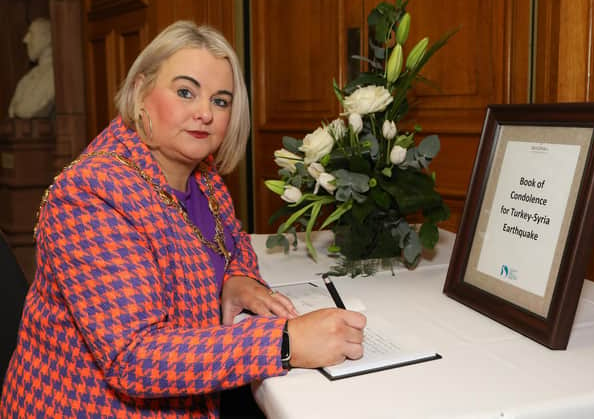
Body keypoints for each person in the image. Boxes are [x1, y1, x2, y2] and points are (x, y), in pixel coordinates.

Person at [0, 21, 366, 418]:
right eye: (185, 92)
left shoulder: (201, 175)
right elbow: (133, 358)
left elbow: (233, 241)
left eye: (221, 101)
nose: (204, 113)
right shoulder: (90, 195)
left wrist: (237, 277)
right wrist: (284, 341)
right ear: (141, 91)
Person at [8, 18, 55, 119]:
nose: (25, 39)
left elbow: (24, 110)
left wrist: (17, 109)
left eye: (31, 33)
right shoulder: (28, 77)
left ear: (47, 37)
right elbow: (13, 111)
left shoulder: (55, 74)